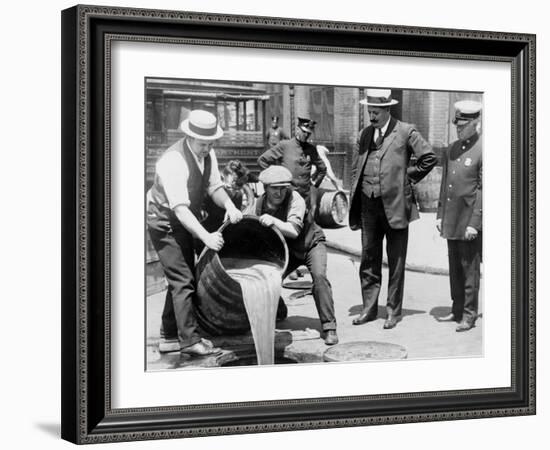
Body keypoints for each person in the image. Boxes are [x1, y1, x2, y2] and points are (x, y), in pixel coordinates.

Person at [147, 110, 243, 356]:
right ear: (189, 137)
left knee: (182, 276)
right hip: (164, 220)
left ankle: (169, 337)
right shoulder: (173, 161)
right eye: (203, 144)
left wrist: (230, 205)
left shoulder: (207, 153)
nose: (207, 148)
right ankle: (189, 341)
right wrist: (206, 237)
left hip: (181, 218)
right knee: (183, 279)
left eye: (211, 143)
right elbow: (180, 209)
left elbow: (214, 187)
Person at [349, 89, 436, 329]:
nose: (372, 117)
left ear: (387, 110)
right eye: (369, 112)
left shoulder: (406, 131)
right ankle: (368, 308)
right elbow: (356, 168)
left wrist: (407, 177)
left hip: (396, 205)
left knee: (396, 261)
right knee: (368, 258)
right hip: (368, 205)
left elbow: (429, 157)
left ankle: (393, 312)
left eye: (376, 112)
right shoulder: (365, 134)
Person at [255, 165, 338, 345]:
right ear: (265, 188)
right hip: (289, 250)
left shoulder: (295, 199)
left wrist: (273, 220)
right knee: (269, 278)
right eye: (274, 188)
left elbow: (292, 230)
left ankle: (329, 326)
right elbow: (246, 219)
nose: (279, 193)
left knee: (319, 277)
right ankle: (279, 310)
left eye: (283, 188)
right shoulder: (258, 204)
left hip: (311, 244)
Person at [436, 100, 483, 332]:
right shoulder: (452, 148)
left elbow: (484, 190)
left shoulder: (484, 148)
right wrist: (439, 214)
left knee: (469, 269)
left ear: (475, 123)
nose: (459, 128)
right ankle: (457, 309)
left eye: (463, 125)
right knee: (454, 267)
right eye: (457, 125)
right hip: (452, 219)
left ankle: (469, 314)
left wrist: (475, 223)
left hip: (468, 220)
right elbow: (446, 184)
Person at [258, 117, 327, 213]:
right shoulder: (285, 145)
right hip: (287, 195)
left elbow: (322, 169)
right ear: (298, 130)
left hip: (305, 197)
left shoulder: (311, 149)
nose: (306, 135)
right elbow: (262, 160)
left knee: (306, 222)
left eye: (309, 133)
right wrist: (274, 179)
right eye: (304, 132)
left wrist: (315, 184)